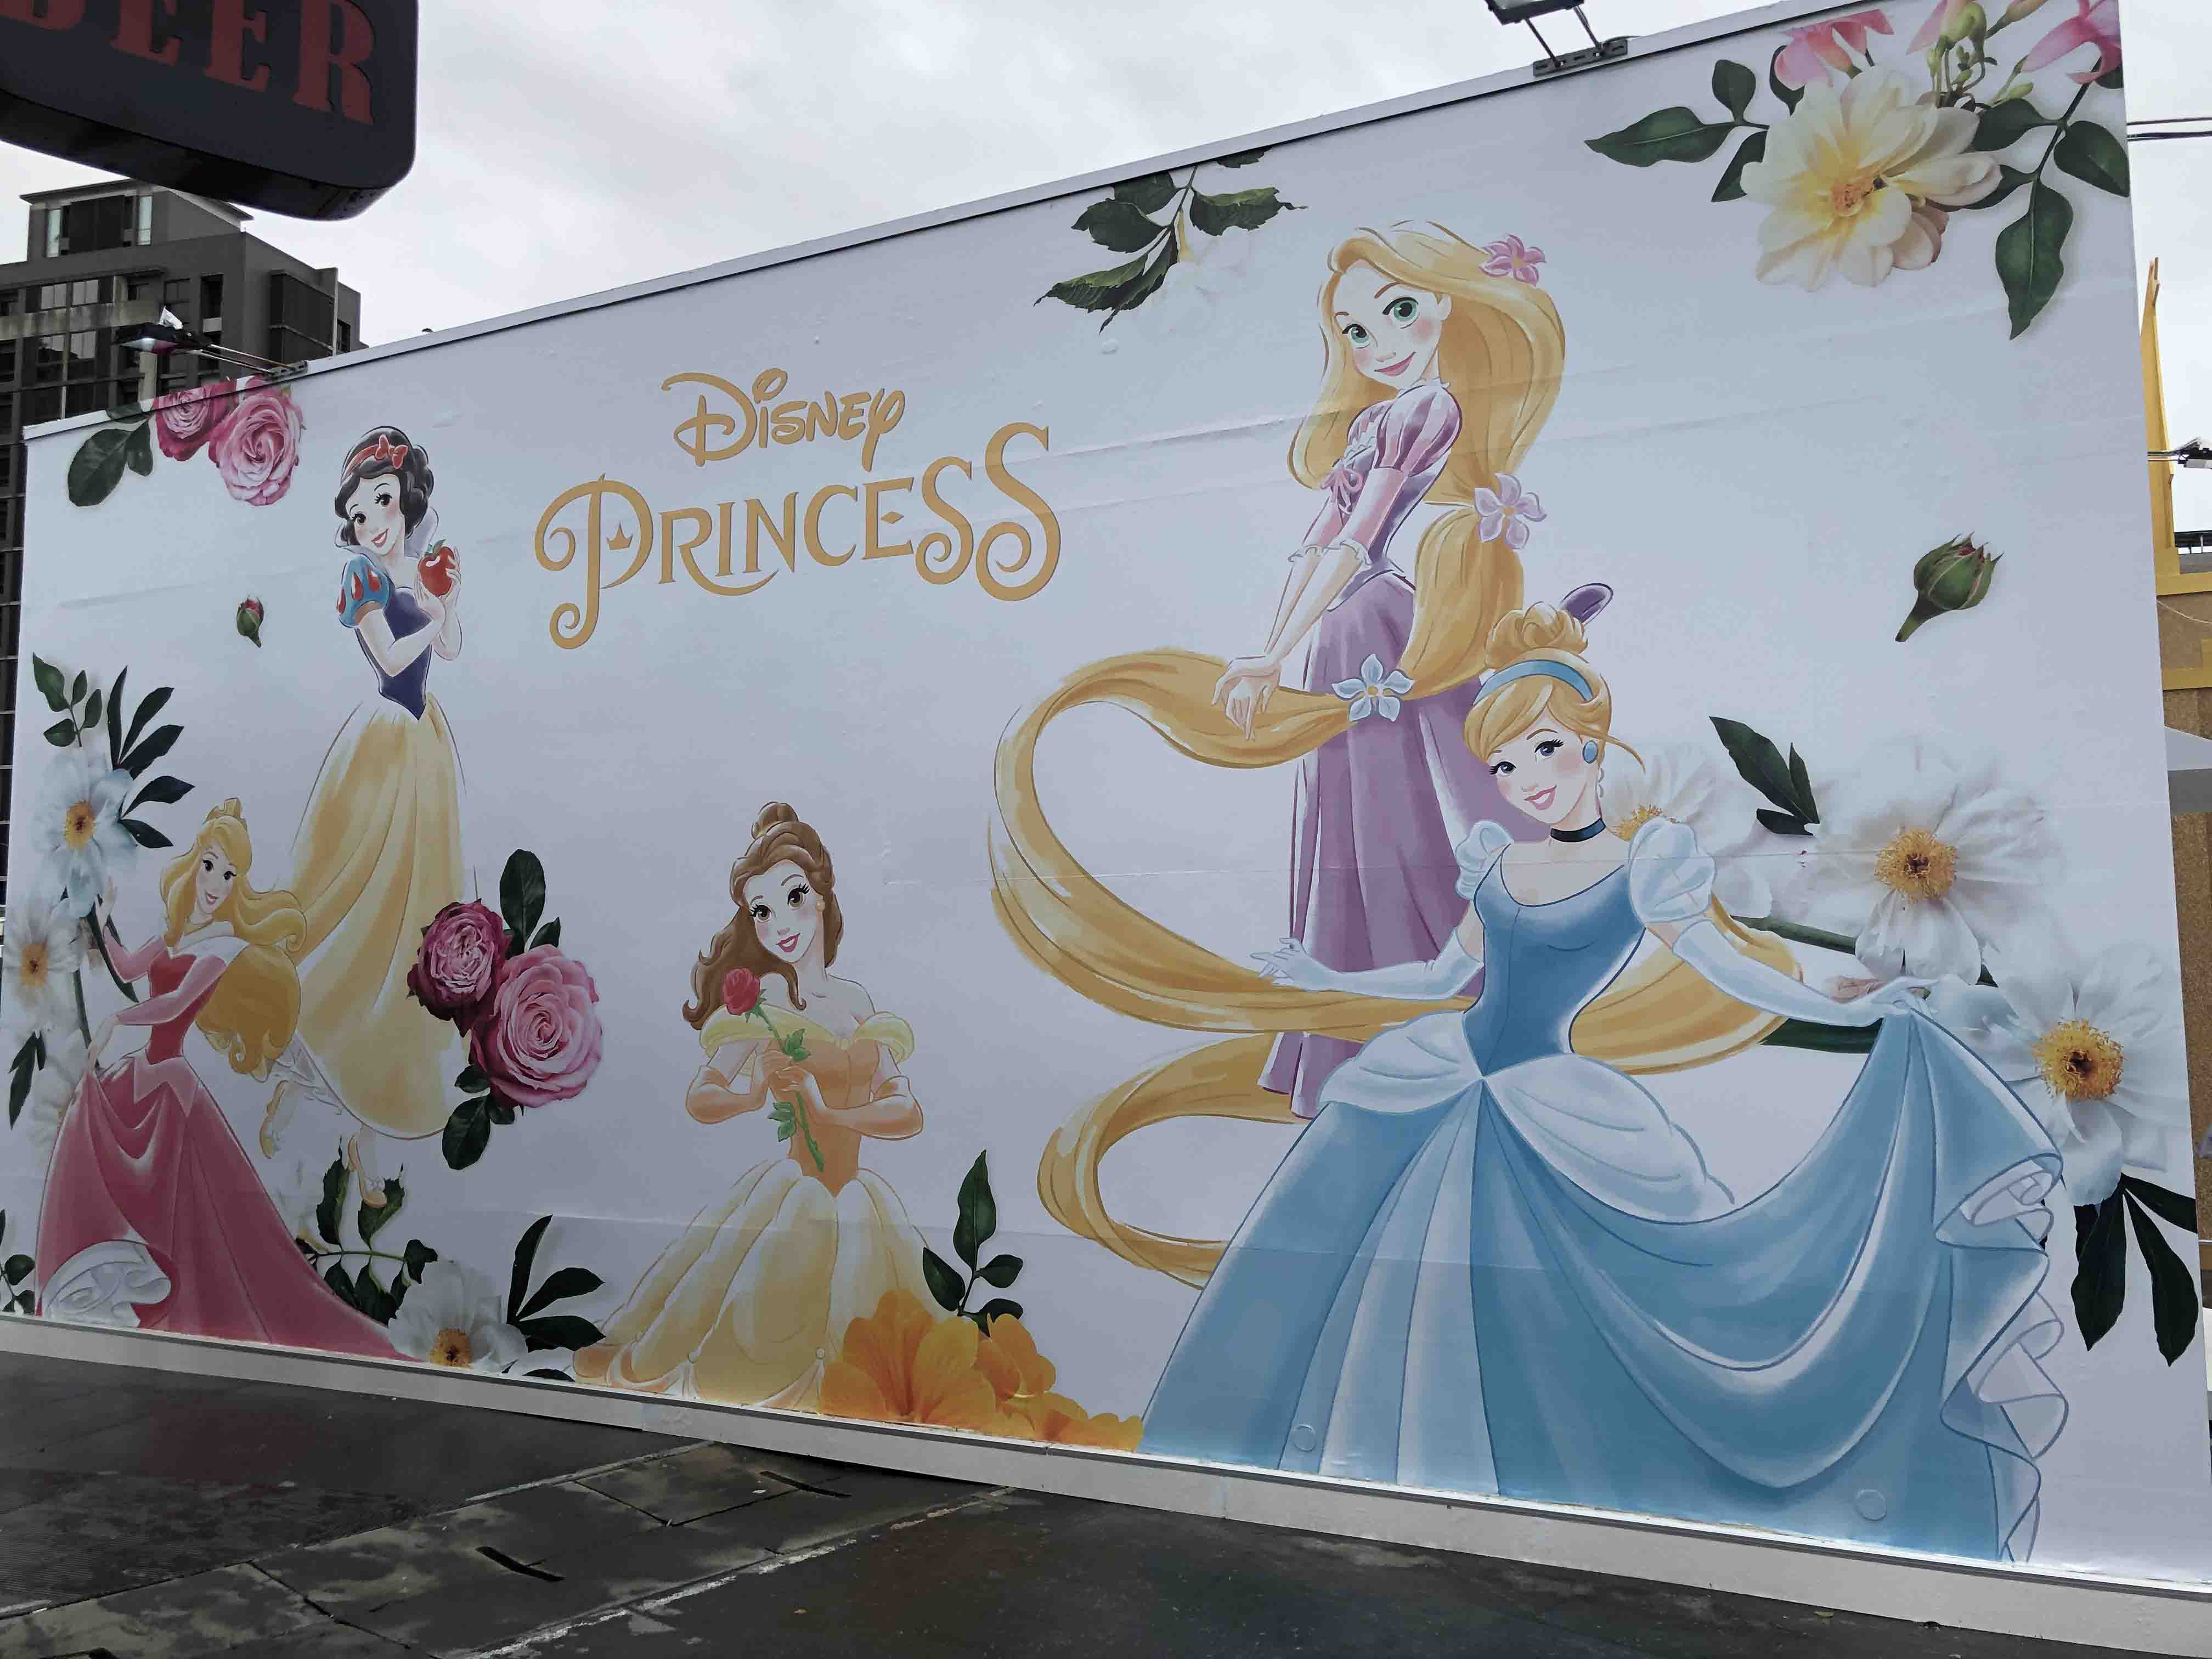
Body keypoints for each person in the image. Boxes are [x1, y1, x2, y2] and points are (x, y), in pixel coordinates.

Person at [1141, 603, 2067, 1564]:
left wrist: (1843, 1014)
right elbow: (1440, 978)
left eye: (1543, 749)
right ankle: (1381, 1474)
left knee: (1559, 1310)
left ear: (1591, 743)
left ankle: (1539, 1494)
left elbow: (1723, 966)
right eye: (1505, 766)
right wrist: (1321, 974)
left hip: (1543, 1108)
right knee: (1355, 1278)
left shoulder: (1644, 864)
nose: (1527, 780)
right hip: (1439, 1081)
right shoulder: (1499, 863)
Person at [574, 804, 933, 1406]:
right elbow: (701, 1095)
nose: (779, 924)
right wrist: (751, 1094)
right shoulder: (767, 1000)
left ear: (822, 897)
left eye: (793, 897)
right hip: (794, 1193)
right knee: (737, 1298)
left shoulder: (857, 1001)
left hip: (857, 1199)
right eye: (761, 911)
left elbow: (908, 1110)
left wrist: (831, 1113)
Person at [37, 800, 398, 1358]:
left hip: (171, 1089)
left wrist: (117, 1021)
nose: (215, 883)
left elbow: (174, 1004)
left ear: (238, 886)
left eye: (229, 875)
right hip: (143, 1075)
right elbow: (128, 967)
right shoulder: (177, 933)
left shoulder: (223, 948)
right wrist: (103, 918)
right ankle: (98, 1276)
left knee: (200, 1223)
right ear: (195, 865)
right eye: (210, 866)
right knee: (88, 1118)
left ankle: (182, 1304)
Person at [279, 426, 466, 1205]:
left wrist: (446, 600)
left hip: (425, 746)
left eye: (383, 502)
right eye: (359, 515)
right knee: (355, 905)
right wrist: (431, 612)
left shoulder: (418, 569)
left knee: (416, 913)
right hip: (384, 742)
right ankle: (314, 1042)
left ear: (406, 501)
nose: (373, 523)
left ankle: (378, 1109)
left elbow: (450, 649)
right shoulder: (361, 579)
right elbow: (391, 659)